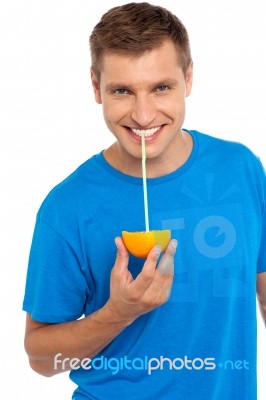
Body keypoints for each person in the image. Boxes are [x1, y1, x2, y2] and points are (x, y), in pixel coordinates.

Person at [22, 2, 266, 399]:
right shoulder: (66, 209)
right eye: (122, 91)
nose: (143, 113)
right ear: (95, 87)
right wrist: (120, 312)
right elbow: (42, 360)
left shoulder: (241, 169)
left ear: (188, 79)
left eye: (161, 87)